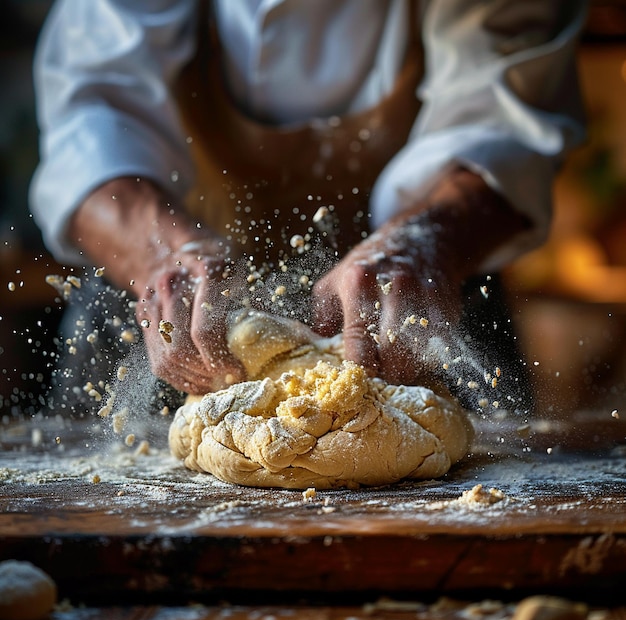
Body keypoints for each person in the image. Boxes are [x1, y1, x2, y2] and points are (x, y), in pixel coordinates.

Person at [30, 1, 587, 414]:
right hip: (164, 312)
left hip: (419, 306)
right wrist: (161, 256)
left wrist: (424, 242)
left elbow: (505, 126)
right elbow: (90, 119)